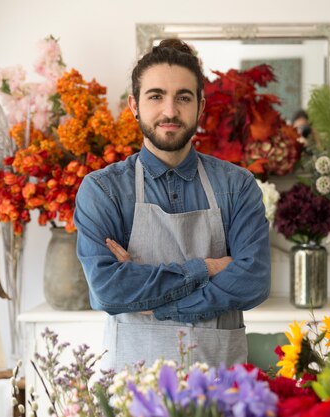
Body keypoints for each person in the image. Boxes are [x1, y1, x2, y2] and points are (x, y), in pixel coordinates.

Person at [74, 39, 271, 371]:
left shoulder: (236, 185)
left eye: (183, 97)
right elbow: (108, 290)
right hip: (132, 390)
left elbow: (252, 281)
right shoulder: (104, 190)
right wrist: (207, 269)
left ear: (200, 106)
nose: (170, 111)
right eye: (156, 96)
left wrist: (159, 307)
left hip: (220, 386)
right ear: (134, 105)